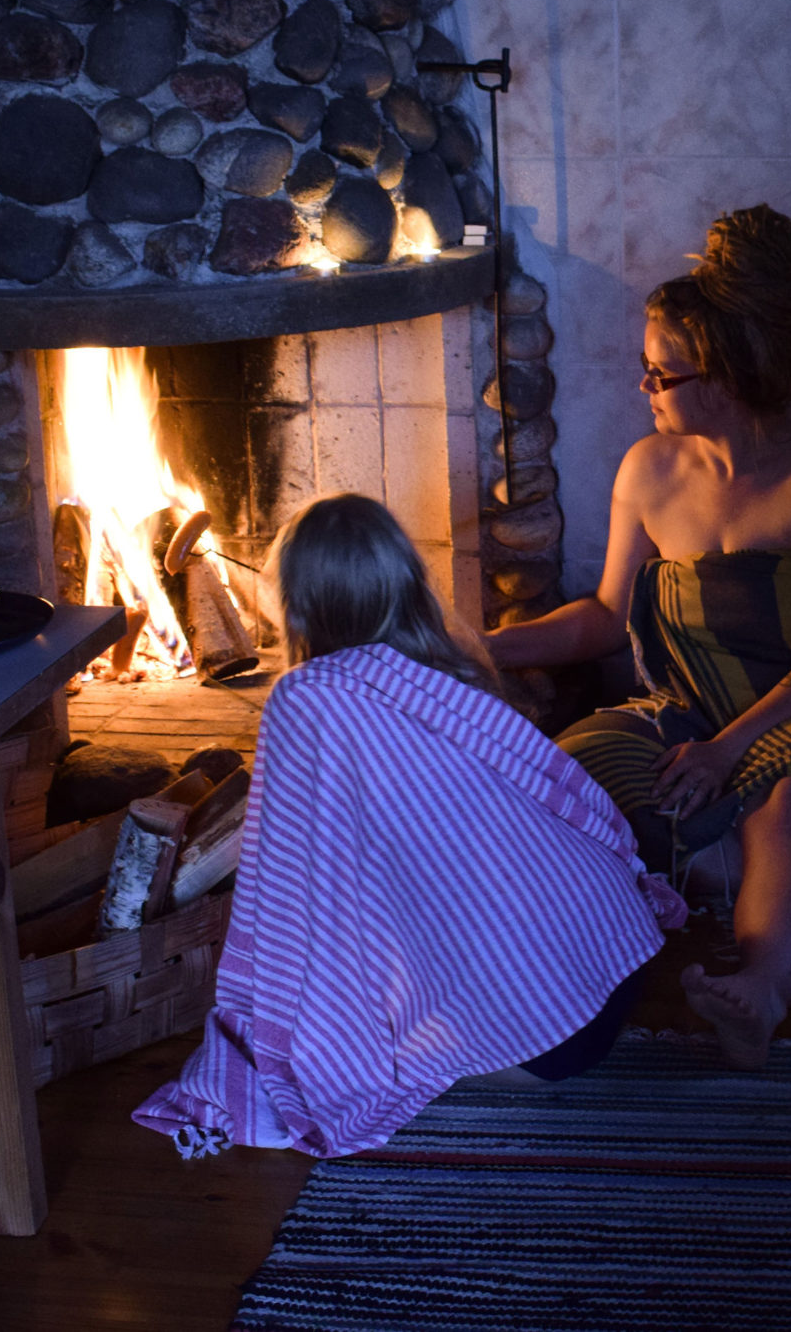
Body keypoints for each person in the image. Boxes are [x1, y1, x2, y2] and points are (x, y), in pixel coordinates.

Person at [488, 207, 791, 1071]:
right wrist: (480, 647)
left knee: (789, 807)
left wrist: (729, 750)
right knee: (560, 786)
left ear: (722, 381)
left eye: (661, 374)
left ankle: (760, 987)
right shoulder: (647, 472)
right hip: (690, 715)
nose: (643, 388)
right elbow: (606, 617)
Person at [133, 494, 684, 1159]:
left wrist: (285, 1032)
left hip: (547, 1047)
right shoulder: (453, 673)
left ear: (298, 605)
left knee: (371, 1052)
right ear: (405, 582)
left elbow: (288, 898)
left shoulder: (307, 699)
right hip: (618, 961)